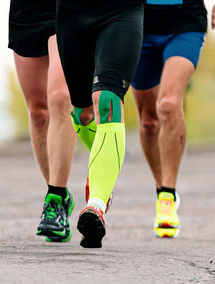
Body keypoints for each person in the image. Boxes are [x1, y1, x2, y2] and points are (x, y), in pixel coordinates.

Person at [131, 0, 215, 238]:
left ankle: (167, 194)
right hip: (137, 21)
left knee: (168, 104)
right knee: (148, 121)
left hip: (185, 21)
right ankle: (162, 190)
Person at [56, 0, 144, 248]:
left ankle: (96, 203)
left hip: (121, 11)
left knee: (107, 99)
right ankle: (101, 176)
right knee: (82, 114)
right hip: (70, 14)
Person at [8, 0, 77, 243]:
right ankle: (58, 193)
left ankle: (55, 199)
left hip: (67, 10)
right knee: (38, 113)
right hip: (26, 11)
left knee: (60, 97)